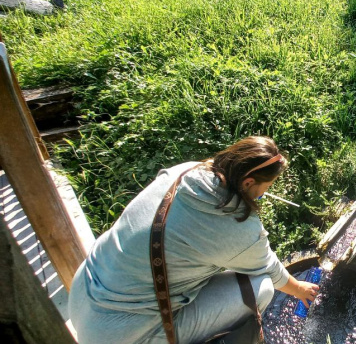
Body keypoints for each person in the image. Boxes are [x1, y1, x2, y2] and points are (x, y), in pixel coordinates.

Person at [69, 136, 319, 343]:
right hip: (119, 334)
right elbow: (270, 269)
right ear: (248, 181)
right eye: (268, 187)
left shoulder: (186, 171)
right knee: (261, 287)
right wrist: (299, 289)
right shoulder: (232, 223)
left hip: (84, 292)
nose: (266, 194)